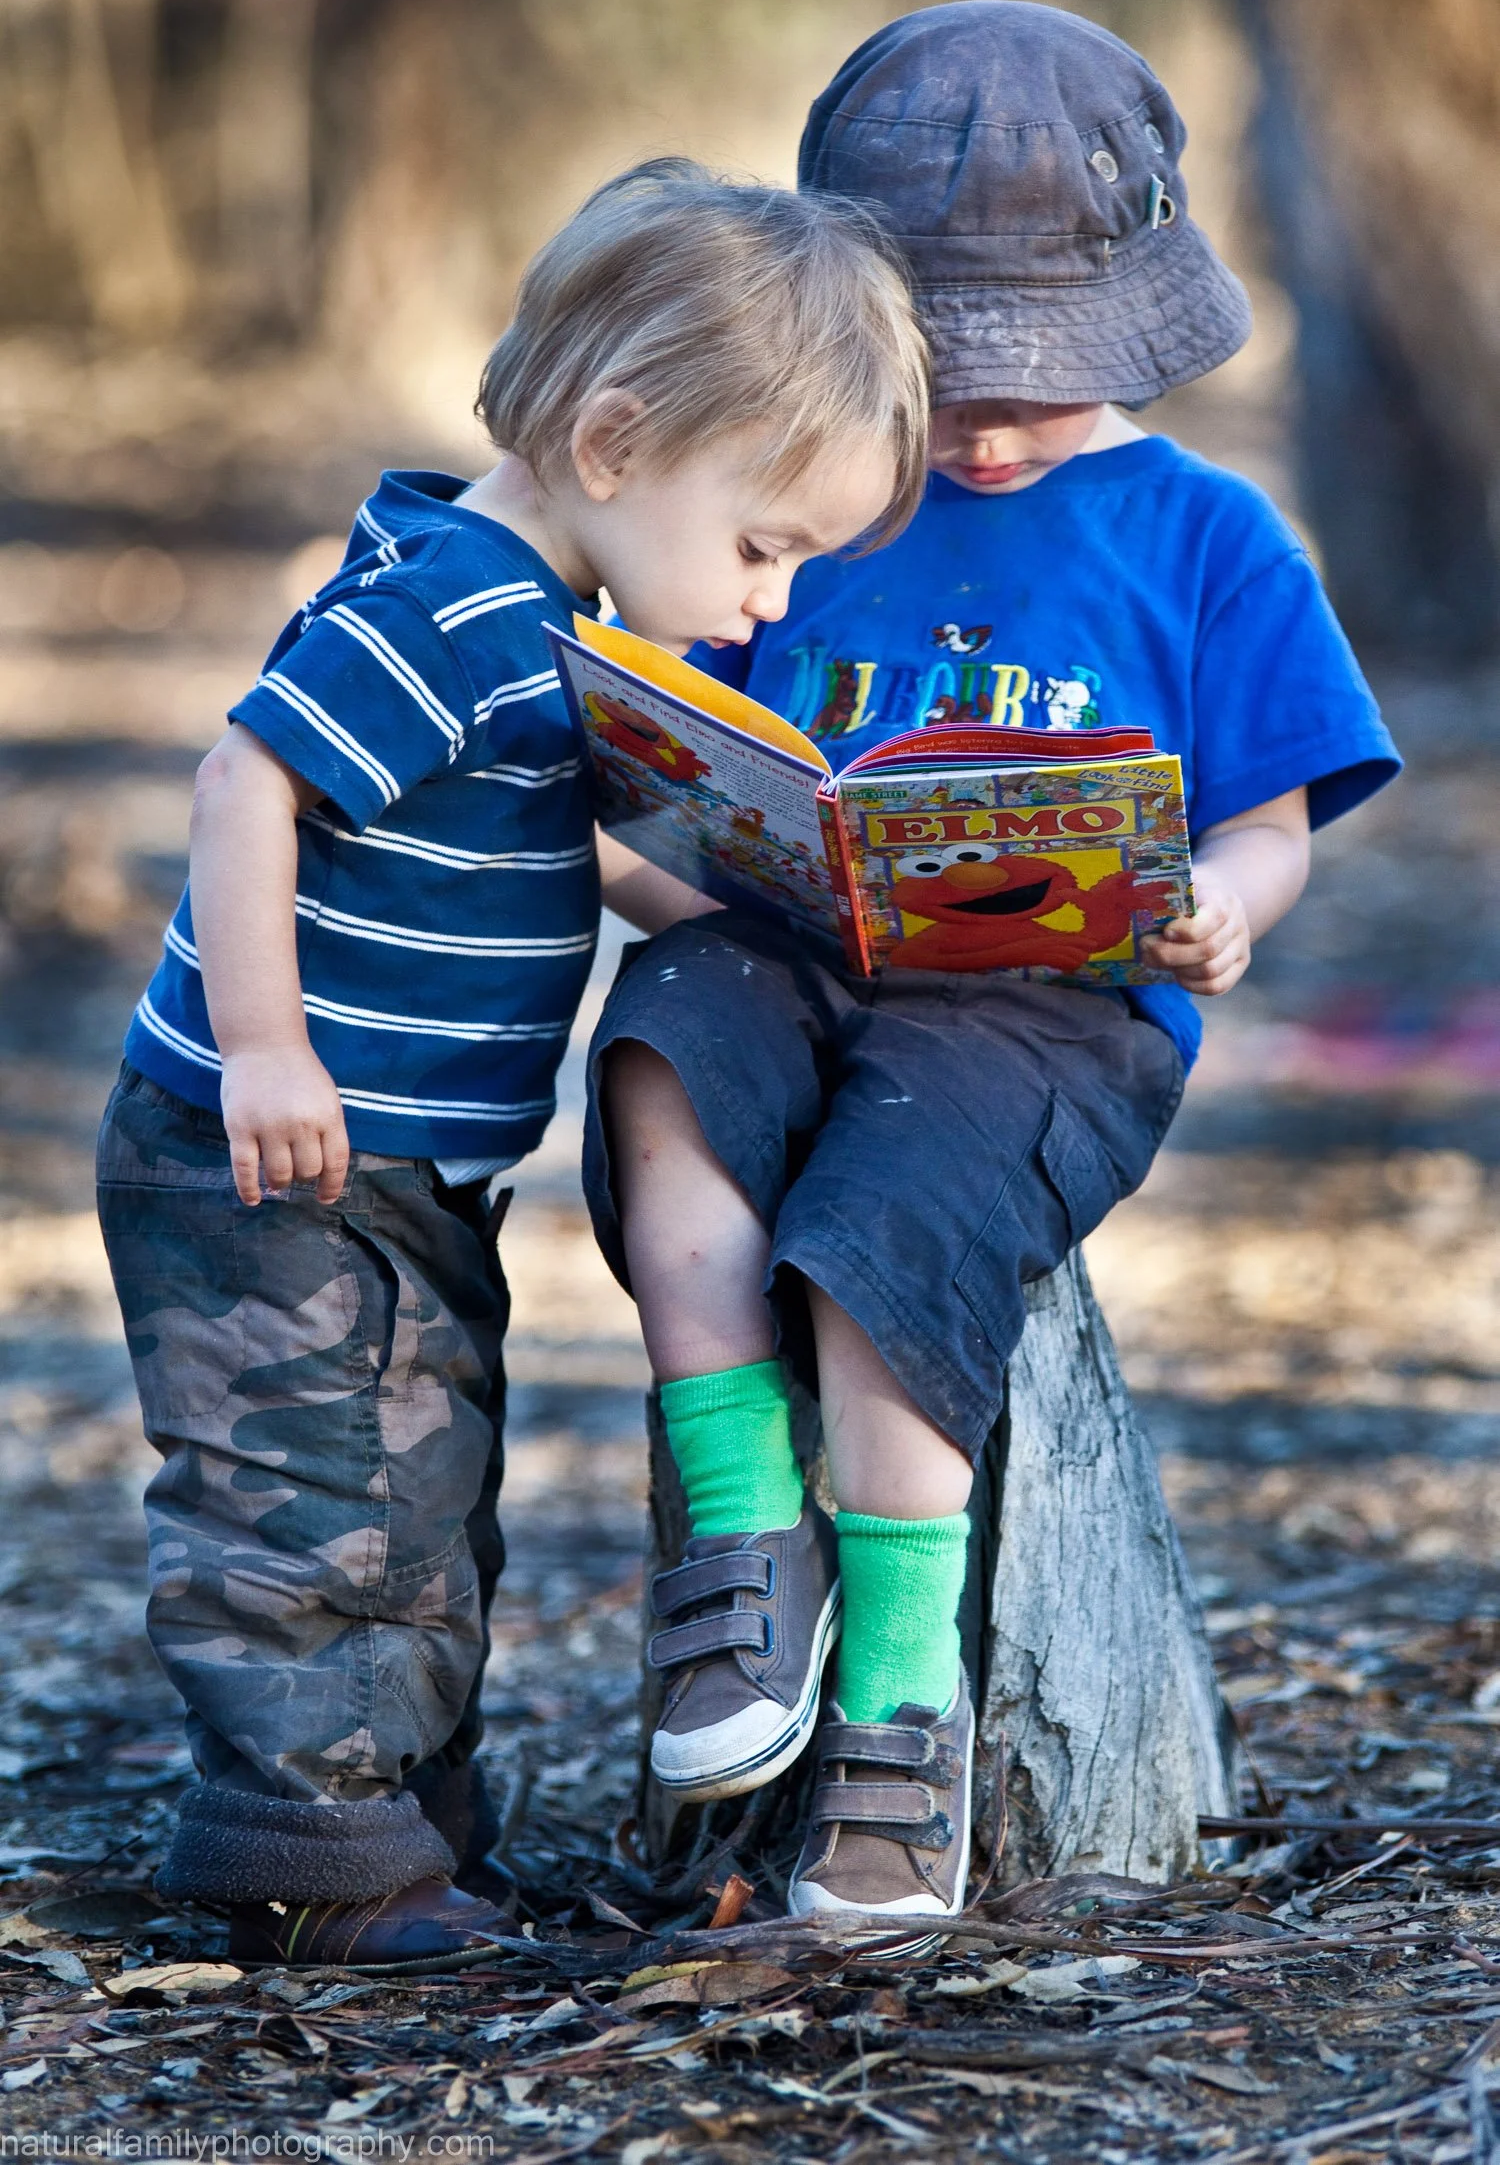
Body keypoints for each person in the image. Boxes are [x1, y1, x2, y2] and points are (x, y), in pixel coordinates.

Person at [585, 5, 1401, 1947]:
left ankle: (902, 1698)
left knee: (886, 1225)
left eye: (1043, 379)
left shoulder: (1209, 537)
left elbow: (1277, 809)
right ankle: (744, 1531)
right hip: (791, 954)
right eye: (947, 378)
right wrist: (650, 834)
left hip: (1049, 1016)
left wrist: (1229, 896)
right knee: (657, 1065)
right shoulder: (807, 501)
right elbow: (694, 767)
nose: (991, 424)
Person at [95, 158, 929, 1972]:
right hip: (276, 1151)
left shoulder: (546, 628)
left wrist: (791, 888)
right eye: (764, 543)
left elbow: (560, 855)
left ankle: (405, 1824)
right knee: (308, 1492)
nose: (770, 601)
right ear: (617, 445)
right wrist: (264, 1049)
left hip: (393, 1162)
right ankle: (306, 1862)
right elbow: (253, 779)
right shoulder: (462, 609)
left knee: (415, 1479)